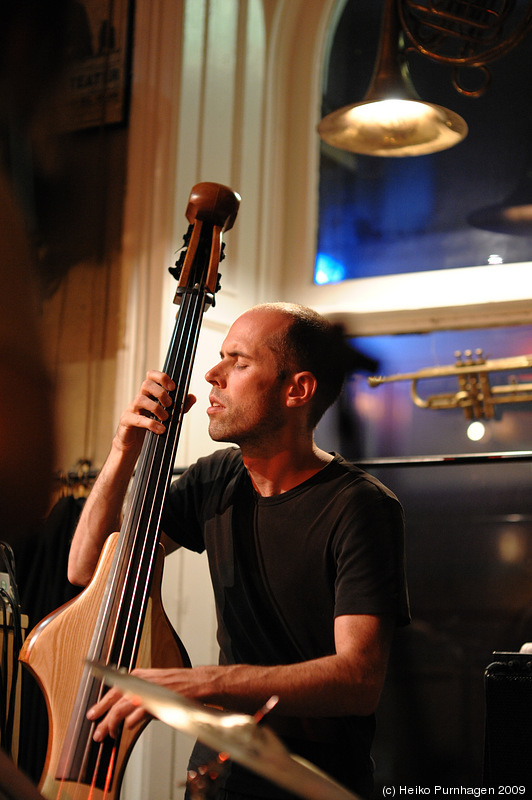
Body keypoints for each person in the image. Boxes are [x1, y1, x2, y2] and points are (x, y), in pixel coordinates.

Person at [68, 302, 410, 799]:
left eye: (239, 361)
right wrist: (124, 449)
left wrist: (200, 683)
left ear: (298, 389)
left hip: (312, 779)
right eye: (221, 357)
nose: (212, 373)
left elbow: (358, 679)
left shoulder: (361, 506)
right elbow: (87, 569)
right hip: (221, 770)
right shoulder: (215, 477)